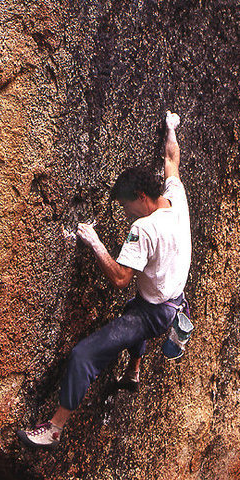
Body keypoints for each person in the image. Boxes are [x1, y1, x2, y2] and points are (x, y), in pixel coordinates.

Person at [17, 111, 191, 450]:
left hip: (153, 313)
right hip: (170, 300)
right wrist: (171, 127)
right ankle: (134, 372)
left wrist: (94, 242)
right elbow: (172, 158)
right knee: (134, 308)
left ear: (142, 197)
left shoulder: (144, 228)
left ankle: (54, 429)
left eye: (127, 207)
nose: (126, 214)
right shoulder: (177, 198)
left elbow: (121, 278)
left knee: (84, 354)